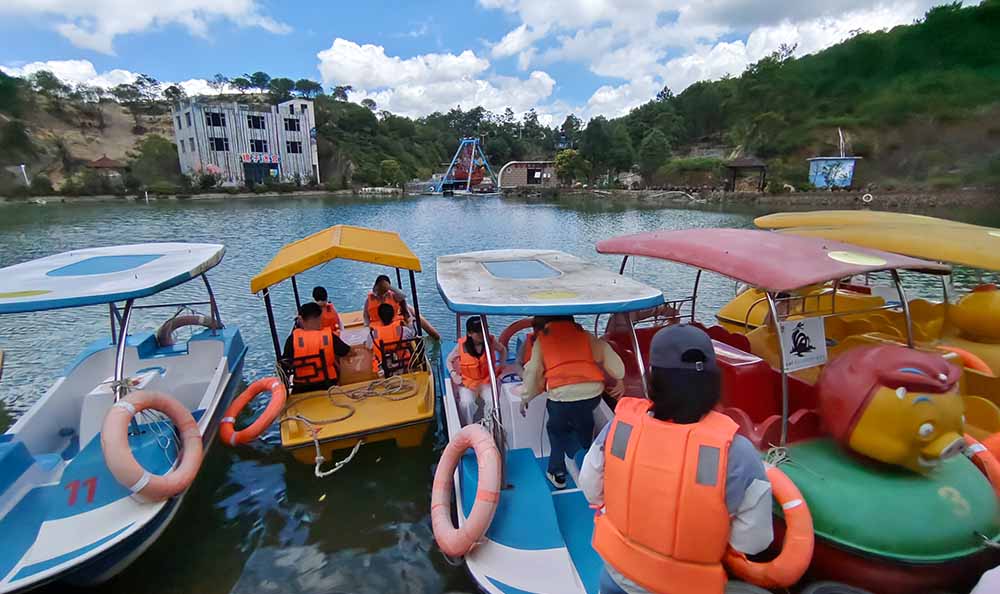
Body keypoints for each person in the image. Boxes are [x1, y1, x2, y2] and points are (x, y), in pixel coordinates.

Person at [579, 324, 773, 594]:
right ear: (713, 382)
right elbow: (753, 540)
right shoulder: (737, 454)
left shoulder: (620, 429)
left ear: (652, 380)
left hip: (616, 578)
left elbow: (589, 485)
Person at [520, 316, 625, 489]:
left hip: (562, 395)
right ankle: (586, 465)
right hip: (591, 393)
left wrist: (526, 398)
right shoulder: (585, 335)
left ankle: (557, 472)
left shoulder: (542, 340)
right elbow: (606, 351)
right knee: (585, 425)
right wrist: (619, 377)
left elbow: (533, 370)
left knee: (556, 431)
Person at [447, 316, 507, 425]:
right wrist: (454, 375)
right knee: (466, 404)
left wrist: (501, 365)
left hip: (486, 381)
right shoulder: (461, 346)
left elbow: (502, 350)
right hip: (468, 383)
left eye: (483, 330)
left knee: (492, 401)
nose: (482, 334)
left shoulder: (491, 342)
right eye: (478, 332)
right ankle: (469, 427)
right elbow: (449, 360)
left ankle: (490, 426)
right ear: (469, 334)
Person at [282, 302, 352, 393]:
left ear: (301, 319)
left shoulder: (292, 340)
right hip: (328, 385)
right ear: (320, 317)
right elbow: (347, 352)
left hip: (300, 388)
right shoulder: (328, 336)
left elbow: (285, 364)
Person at [368, 303, 415, 374]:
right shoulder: (402, 329)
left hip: (382, 369)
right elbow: (412, 337)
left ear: (379, 317)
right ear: (393, 315)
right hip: (402, 366)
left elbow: (368, 346)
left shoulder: (374, 333)